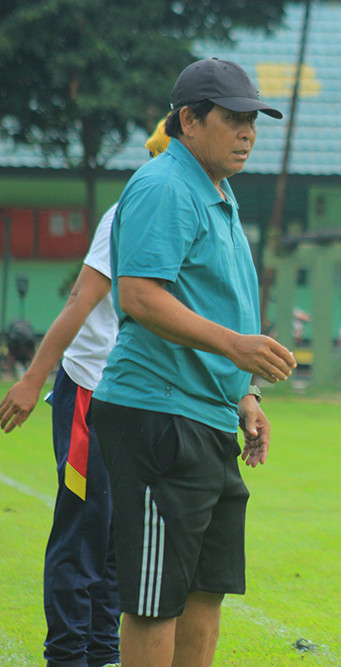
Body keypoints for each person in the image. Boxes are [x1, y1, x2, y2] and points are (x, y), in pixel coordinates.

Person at [90, 58, 296, 667]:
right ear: (188, 119)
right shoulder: (166, 186)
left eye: (253, 121)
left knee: (207, 588)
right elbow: (139, 295)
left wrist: (244, 394)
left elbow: (210, 299)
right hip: (157, 413)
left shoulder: (216, 190)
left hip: (205, 415)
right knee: (156, 600)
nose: (247, 133)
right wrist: (236, 347)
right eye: (233, 119)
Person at [0, 122, 171, 667]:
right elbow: (81, 298)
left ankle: (102, 651)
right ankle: (68, 654)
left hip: (138, 399)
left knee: (122, 533)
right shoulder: (125, 216)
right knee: (85, 527)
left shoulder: (186, 218)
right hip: (89, 391)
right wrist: (33, 380)